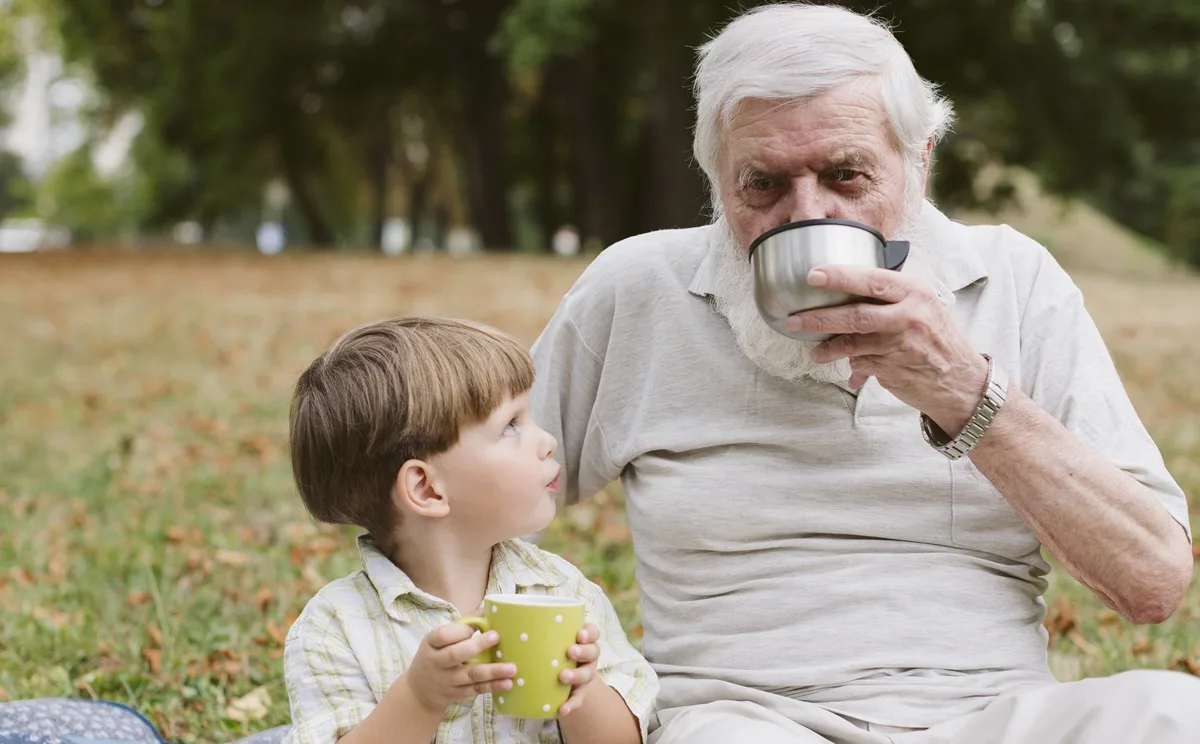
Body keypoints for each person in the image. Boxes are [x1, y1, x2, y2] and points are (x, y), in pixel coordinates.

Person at [528, 4, 1197, 743]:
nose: (806, 215)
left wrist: (964, 391)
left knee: (1175, 714)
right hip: (741, 719)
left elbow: (1153, 581)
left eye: (847, 175)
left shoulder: (1017, 280)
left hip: (992, 718)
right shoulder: (637, 289)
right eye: (764, 184)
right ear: (715, 177)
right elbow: (464, 494)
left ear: (921, 161)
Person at [281, 316, 657, 744]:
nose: (547, 440)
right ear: (426, 488)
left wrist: (585, 691)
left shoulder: (563, 593)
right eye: (510, 426)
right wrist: (419, 699)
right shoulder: (336, 627)